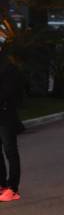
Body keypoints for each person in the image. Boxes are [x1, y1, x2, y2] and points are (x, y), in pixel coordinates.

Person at [0, 44, 23, 202]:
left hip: (6, 116)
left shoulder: (9, 68)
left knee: (10, 151)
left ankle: (13, 188)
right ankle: (2, 185)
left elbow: (7, 93)